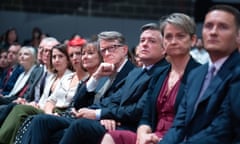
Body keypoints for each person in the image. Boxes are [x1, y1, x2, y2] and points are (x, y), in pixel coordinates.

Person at [55, 23, 169, 144]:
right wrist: (90, 111)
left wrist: (99, 114)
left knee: (78, 126)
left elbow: (139, 110)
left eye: (151, 41)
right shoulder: (135, 73)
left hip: (130, 127)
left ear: (163, 49)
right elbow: (113, 100)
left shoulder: (159, 72)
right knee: (44, 123)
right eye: (142, 40)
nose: (144, 44)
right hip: (109, 119)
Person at [18, 31, 137, 144]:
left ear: (124, 50)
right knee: (40, 120)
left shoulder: (132, 74)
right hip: (84, 115)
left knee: (68, 128)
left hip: (107, 121)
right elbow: (78, 104)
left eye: (111, 48)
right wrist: (95, 77)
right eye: (103, 50)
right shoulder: (103, 72)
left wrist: (100, 114)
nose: (106, 54)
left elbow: (121, 104)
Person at [101, 13, 201, 144]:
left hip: (180, 139)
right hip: (151, 136)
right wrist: (143, 134)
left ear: (193, 40)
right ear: (164, 42)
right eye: (168, 36)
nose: (174, 41)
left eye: (180, 36)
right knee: (111, 137)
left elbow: (193, 122)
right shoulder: (159, 74)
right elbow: (146, 116)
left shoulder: (199, 74)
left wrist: (159, 139)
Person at [159, 4, 240, 144]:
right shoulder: (196, 74)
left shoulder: (237, 72)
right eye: (208, 26)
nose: (213, 32)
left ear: (238, 36)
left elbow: (221, 130)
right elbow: (179, 125)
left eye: (223, 27)